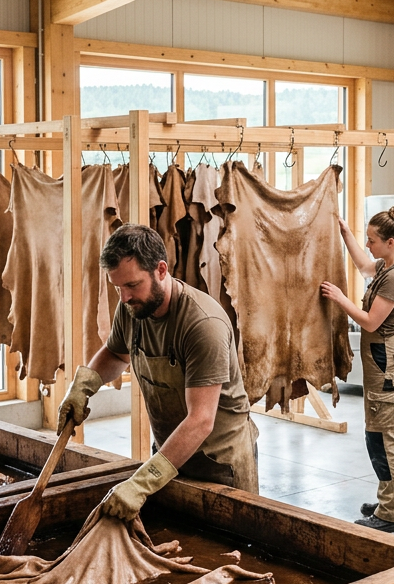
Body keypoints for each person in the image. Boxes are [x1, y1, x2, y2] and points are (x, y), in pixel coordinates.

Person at [57, 223, 258, 523]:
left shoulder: (203, 325)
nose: (124, 298)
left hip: (217, 465)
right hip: (168, 456)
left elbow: (201, 420)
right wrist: (82, 386)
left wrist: (141, 483)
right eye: (118, 287)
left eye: (132, 285)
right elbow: (116, 352)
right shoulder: (133, 308)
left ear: (161, 270)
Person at [320, 204, 394, 533]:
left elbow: (371, 320)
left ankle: (390, 514)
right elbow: (363, 263)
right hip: (385, 360)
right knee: (390, 435)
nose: (368, 244)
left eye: (372, 239)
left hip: (385, 363)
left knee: (381, 438)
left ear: (390, 241)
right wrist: (345, 232)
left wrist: (339, 298)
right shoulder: (389, 265)